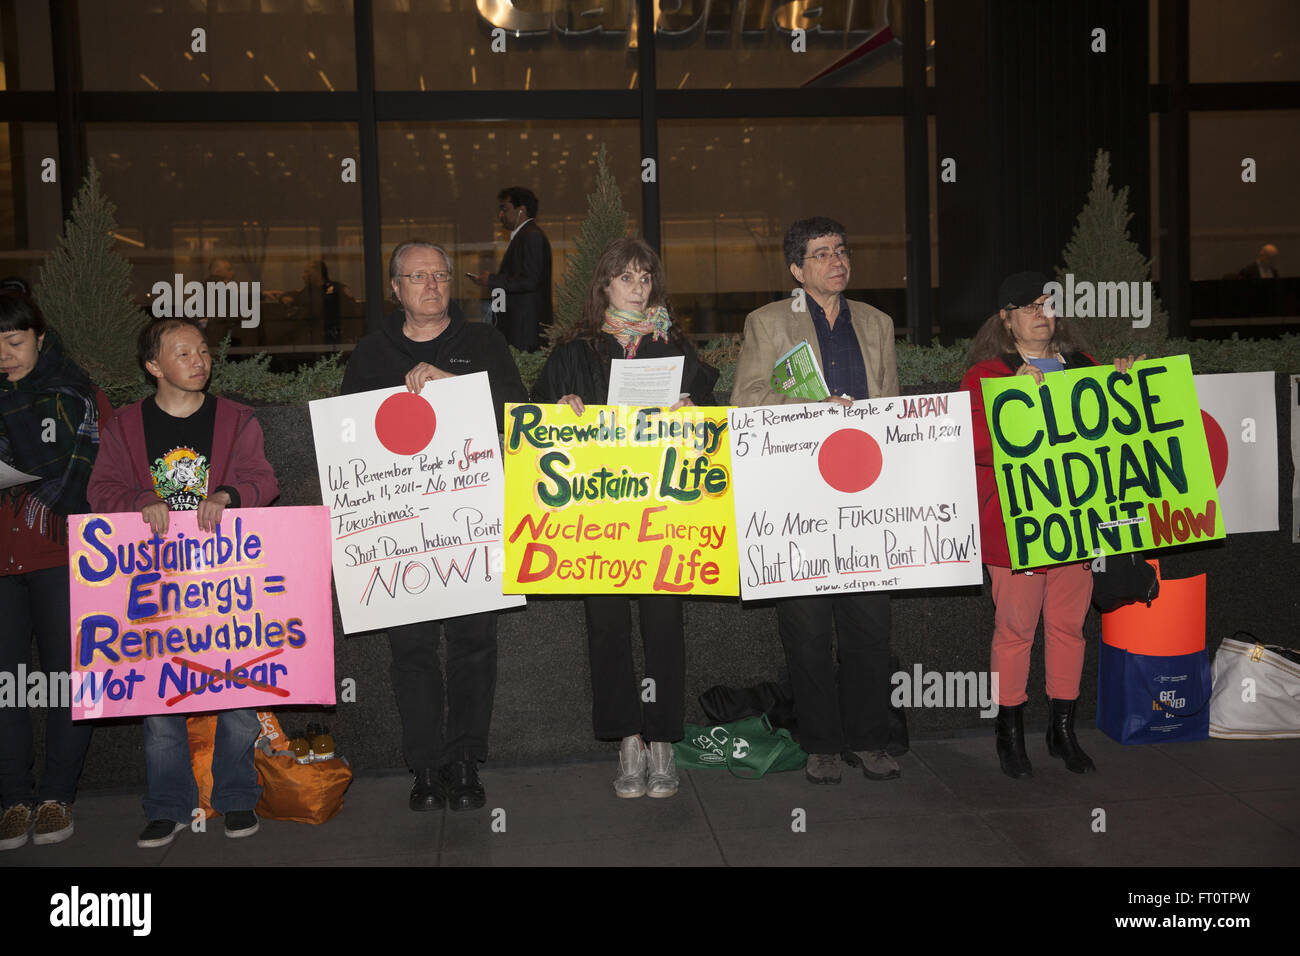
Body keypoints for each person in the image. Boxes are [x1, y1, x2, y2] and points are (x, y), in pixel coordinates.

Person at [341, 239, 527, 812]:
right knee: (412, 651)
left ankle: (466, 761)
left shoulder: (484, 343)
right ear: (395, 289)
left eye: (440, 275)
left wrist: (455, 386)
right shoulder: (370, 355)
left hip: (470, 524)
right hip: (397, 533)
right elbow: (347, 440)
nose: (431, 285)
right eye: (416, 276)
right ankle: (425, 767)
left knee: (475, 644)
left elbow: (518, 412)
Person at [532, 238, 718, 799]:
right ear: (604, 287)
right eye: (625, 277)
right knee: (606, 626)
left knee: (664, 624)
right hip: (597, 520)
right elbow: (532, 423)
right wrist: (557, 410)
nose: (637, 286)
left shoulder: (676, 346)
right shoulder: (575, 351)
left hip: (661, 515)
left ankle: (663, 738)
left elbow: (712, 423)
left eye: (644, 277)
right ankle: (627, 740)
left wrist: (693, 410)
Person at [87, 316, 279, 847]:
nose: (200, 361)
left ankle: (237, 798)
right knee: (159, 702)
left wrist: (227, 496)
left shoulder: (237, 419)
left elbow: (263, 479)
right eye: (184, 353)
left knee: (240, 689)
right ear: (154, 367)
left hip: (226, 579)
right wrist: (139, 501)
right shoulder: (123, 426)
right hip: (155, 583)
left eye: (202, 351)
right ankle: (168, 806)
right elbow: (100, 489)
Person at [731, 217, 901, 786]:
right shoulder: (768, 322)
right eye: (822, 254)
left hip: (866, 499)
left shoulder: (878, 323)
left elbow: (893, 408)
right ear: (798, 271)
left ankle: (871, 740)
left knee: (869, 628)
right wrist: (814, 408)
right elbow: (747, 402)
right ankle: (822, 745)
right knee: (805, 631)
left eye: (842, 250)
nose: (837, 260)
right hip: (796, 503)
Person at [961, 271, 1140, 779]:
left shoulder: (1086, 366)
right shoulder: (987, 374)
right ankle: (1009, 735)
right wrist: (1010, 404)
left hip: (1077, 524)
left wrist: (1123, 383)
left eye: (1047, 303)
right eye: (1029, 305)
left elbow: (1115, 434)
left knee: (1068, 629)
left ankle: (1063, 732)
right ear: (1006, 318)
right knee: (1015, 631)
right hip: (1019, 528)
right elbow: (972, 446)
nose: (1042, 313)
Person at [0, 284, 113, 851]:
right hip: (1, 558)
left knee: (68, 678)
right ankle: (12, 799)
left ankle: (56, 796)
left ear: (40, 339)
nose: (4, 352)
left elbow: (105, 472)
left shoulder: (77, 394)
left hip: (60, 554)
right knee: (6, 686)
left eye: (16, 340)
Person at [470, 187, 552, 352]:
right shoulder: (525, 235)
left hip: (525, 330)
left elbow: (531, 281)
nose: (500, 215)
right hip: (521, 327)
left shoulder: (531, 236)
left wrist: (491, 280)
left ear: (521, 210)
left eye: (504, 209)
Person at [280, 260, 358, 347]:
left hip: (335, 337)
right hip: (314, 340)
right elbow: (295, 297)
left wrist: (349, 336)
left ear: (317, 272)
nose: (303, 276)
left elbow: (352, 313)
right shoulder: (307, 292)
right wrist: (283, 297)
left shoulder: (337, 289)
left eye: (307, 271)